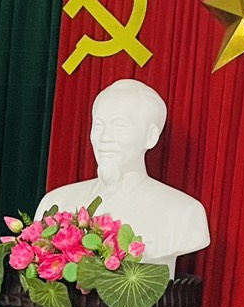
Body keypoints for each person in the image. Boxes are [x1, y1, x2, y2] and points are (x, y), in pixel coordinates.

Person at [37, 79, 209, 278]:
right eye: (99, 125)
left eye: (120, 126)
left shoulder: (183, 212)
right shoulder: (57, 201)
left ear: (151, 136)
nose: (104, 138)